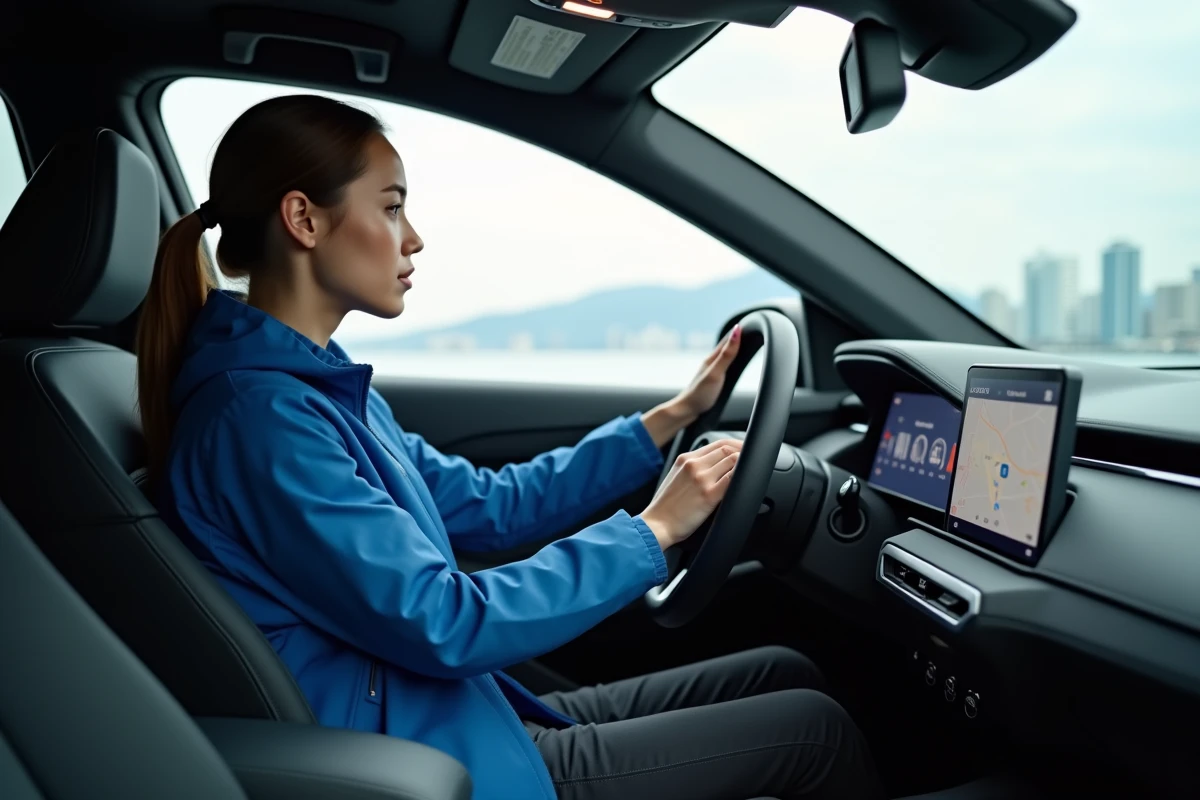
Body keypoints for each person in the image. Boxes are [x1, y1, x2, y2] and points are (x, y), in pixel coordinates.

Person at [137, 94, 883, 800]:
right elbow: (444, 620)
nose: (414, 236)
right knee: (812, 733)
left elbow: (490, 506)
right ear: (303, 218)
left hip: (455, 713)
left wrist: (669, 420)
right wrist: (654, 530)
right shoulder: (263, 422)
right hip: (429, 759)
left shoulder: (313, 390)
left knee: (784, 670)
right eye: (392, 207)